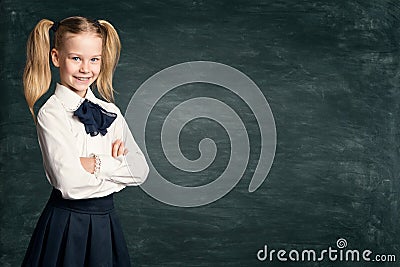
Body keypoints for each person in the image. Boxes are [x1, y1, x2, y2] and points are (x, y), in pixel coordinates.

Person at [22, 16, 149, 266]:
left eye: (94, 59)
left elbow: (141, 171)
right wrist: (116, 168)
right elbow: (70, 184)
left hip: (106, 223)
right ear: (56, 57)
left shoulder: (110, 111)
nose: (85, 69)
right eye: (76, 58)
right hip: (67, 225)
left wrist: (94, 164)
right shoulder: (52, 112)